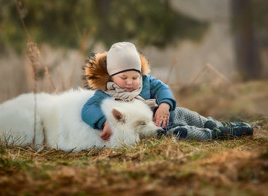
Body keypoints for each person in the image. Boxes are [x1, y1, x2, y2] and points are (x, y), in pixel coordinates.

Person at [81, 42, 253, 141]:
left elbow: (163, 88)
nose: (130, 82)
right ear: (111, 76)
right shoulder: (105, 93)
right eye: (123, 77)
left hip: (166, 115)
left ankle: (218, 125)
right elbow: (88, 109)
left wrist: (164, 104)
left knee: (189, 116)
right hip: (154, 129)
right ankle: (215, 135)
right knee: (183, 133)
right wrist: (103, 122)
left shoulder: (147, 82)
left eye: (134, 77)